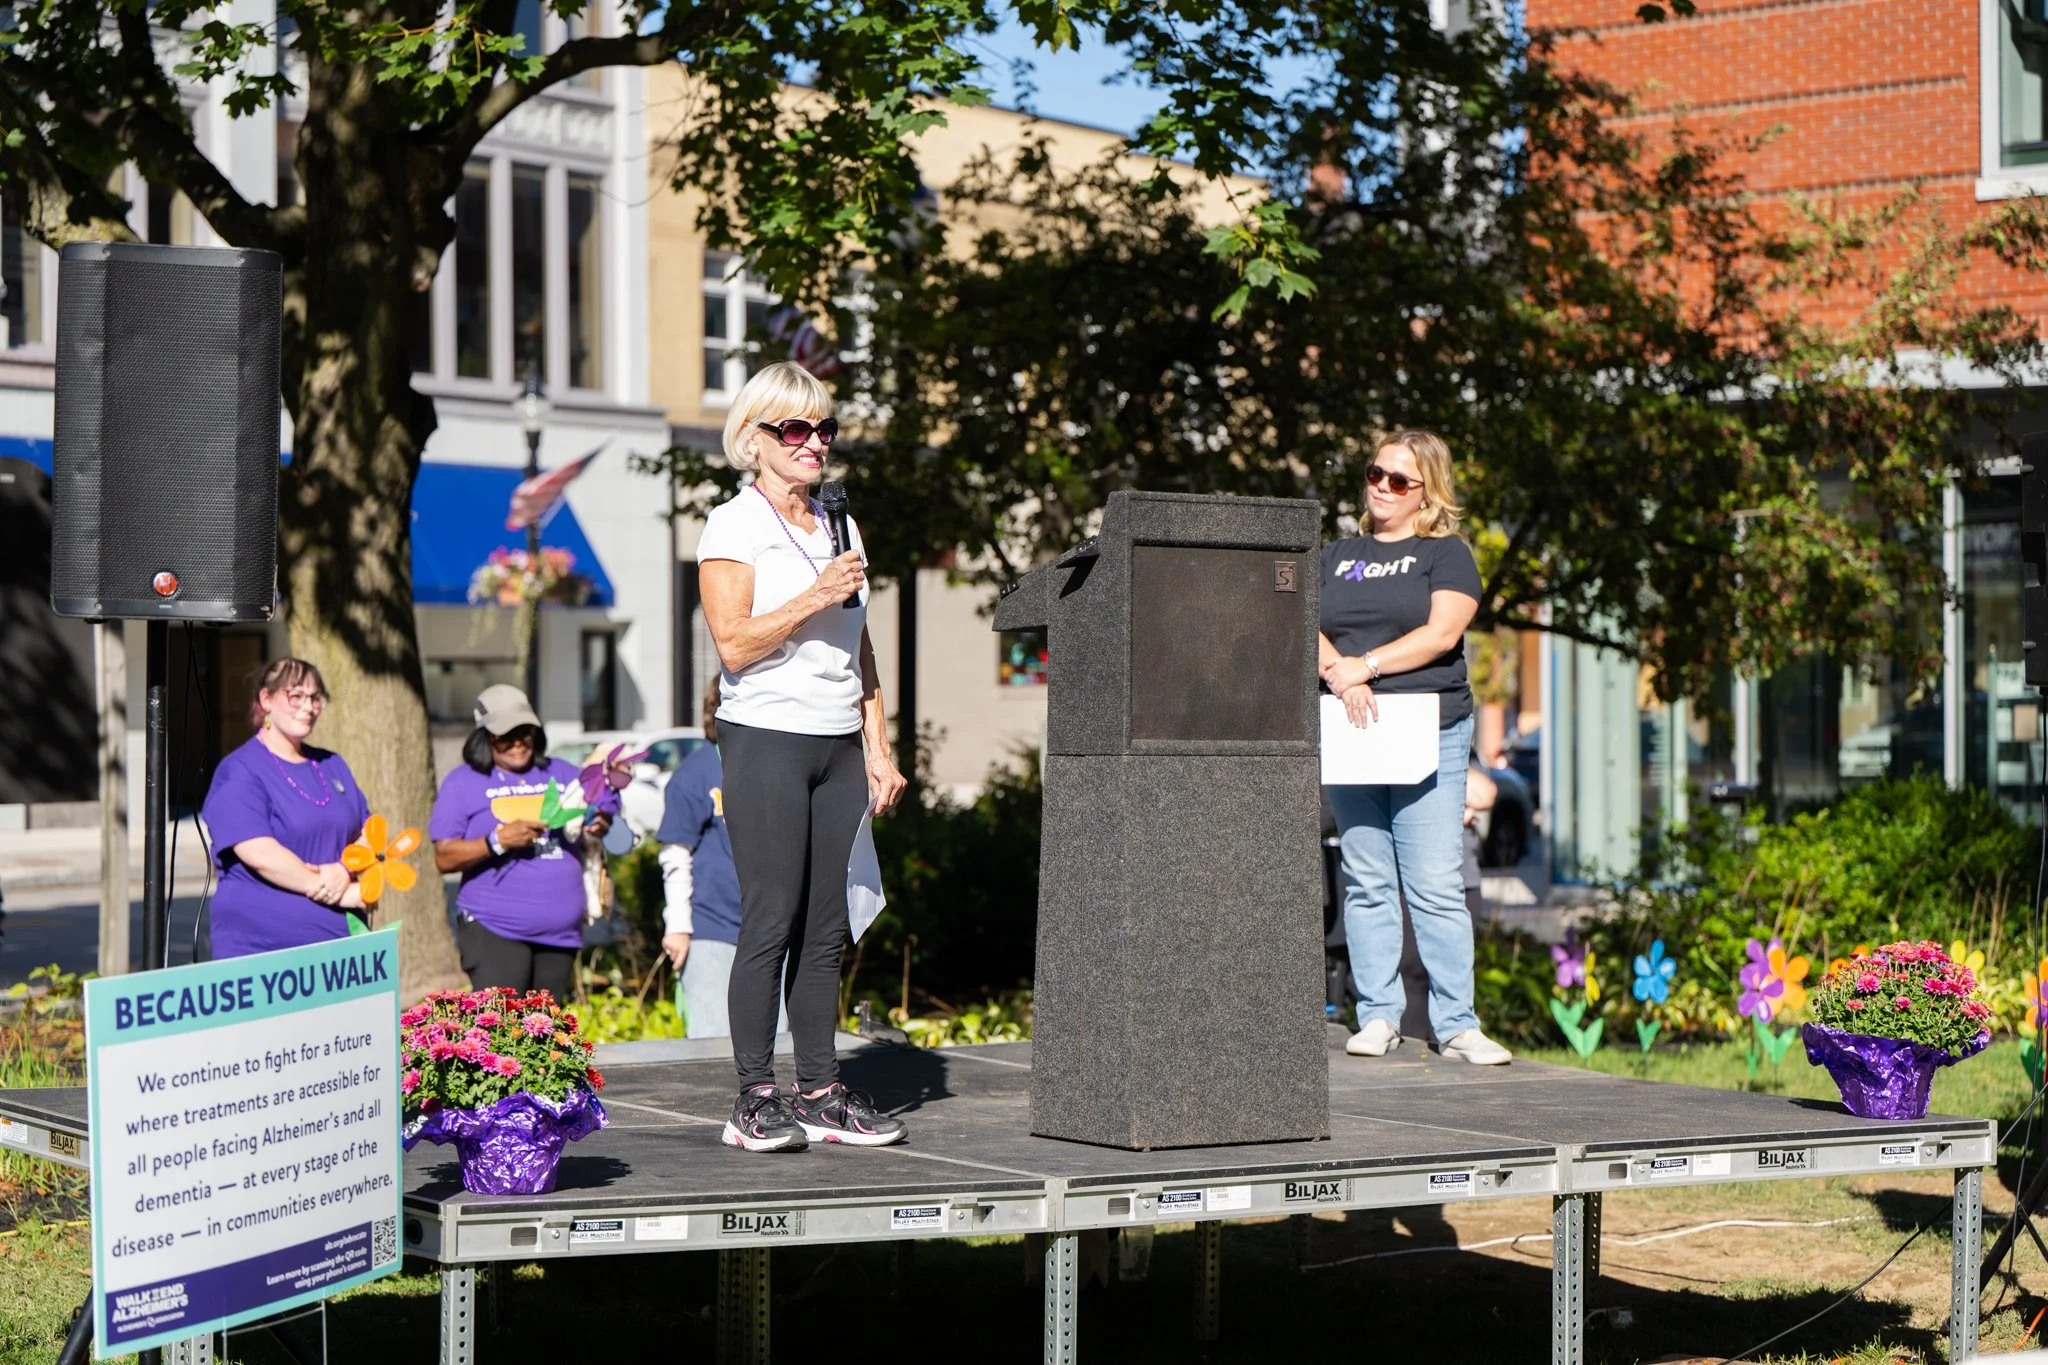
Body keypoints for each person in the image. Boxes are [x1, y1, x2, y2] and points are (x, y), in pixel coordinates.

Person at [697, 360, 910, 1152]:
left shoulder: (839, 524)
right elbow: (735, 643)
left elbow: (862, 646)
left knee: (828, 929)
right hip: (766, 739)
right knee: (772, 919)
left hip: (835, 744)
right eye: (796, 428)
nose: (815, 441)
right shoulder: (733, 524)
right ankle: (753, 1097)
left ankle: (818, 1089)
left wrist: (878, 745)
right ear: (755, 439)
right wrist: (817, 592)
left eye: (824, 427)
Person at [1320, 430, 1512, 1066]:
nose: (1382, 487)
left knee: (1433, 882)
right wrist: (1336, 674)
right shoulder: (1337, 554)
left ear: (1426, 491)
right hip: (1353, 727)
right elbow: (1304, 626)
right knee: (1368, 878)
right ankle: (1378, 1016)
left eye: (1399, 480)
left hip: (1429, 728)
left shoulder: (1446, 554)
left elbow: (1441, 633)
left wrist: (1363, 666)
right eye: (1377, 473)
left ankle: (1456, 1023)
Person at [430, 685, 609, 1000]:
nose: (517, 744)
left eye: (525, 733)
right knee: (505, 1036)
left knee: (546, 1039)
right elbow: (444, 857)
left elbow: (600, 816)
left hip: (560, 936)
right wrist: (496, 841)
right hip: (495, 930)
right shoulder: (463, 782)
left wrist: (600, 823)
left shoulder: (563, 773)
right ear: (484, 737)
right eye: (505, 736)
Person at [201, 658, 371, 959]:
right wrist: (332, 889)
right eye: (296, 696)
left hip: (341, 950)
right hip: (263, 951)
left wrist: (344, 869)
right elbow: (260, 853)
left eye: (315, 698)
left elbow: (369, 831)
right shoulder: (240, 769)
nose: (308, 707)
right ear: (266, 699)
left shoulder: (332, 765)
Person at [659, 679, 747, 1038]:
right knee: (713, 1045)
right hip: (712, 930)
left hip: (774, 930)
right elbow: (675, 853)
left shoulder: (778, 769)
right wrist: (678, 926)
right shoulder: (696, 772)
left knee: (781, 1048)